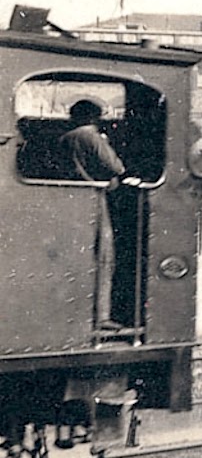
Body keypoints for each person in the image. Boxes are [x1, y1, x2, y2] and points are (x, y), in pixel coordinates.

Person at [62, 99, 143, 331]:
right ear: (93, 117)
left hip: (76, 201)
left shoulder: (66, 138)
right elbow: (116, 166)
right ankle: (102, 316)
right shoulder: (90, 136)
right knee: (105, 257)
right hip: (97, 199)